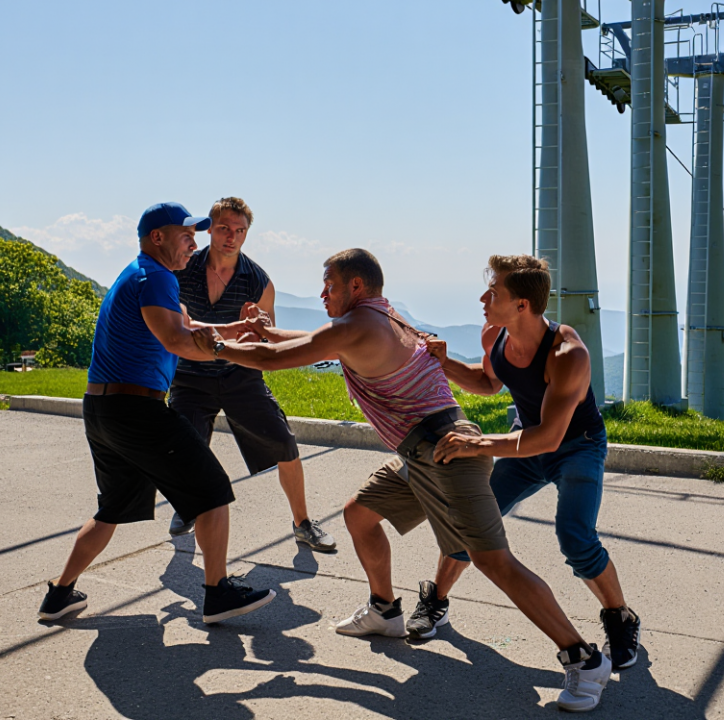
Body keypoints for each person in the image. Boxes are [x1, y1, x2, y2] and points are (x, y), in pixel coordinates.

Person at [192, 249, 613, 712]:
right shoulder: (380, 315)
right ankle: (385, 611)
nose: (321, 293)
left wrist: (209, 342)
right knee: (359, 515)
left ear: (355, 287)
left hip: (449, 449)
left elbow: (276, 359)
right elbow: (316, 342)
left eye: (328, 284)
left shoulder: (364, 324)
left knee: (494, 562)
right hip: (420, 451)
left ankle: (583, 658)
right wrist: (266, 332)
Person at [38, 202, 276, 626]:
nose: (194, 242)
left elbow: (188, 325)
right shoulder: (156, 276)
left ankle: (59, 595)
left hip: (103, 408)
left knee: (112, 508)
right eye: (185, 235)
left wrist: (238, 330)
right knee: (213, 490)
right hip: (136, 408)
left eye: (195, 234)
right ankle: (217, 592)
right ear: (157, 238)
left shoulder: (142, 275)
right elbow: (177, 341)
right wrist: (243, 353)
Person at [412, 254, 641, 670]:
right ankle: (436, 602)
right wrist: (444, 364)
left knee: (575, 538)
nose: (483, 297)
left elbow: (549, 437)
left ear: (522, 305)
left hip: (576, 446)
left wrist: (476, 445)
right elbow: (489, 382)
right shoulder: (493, 336)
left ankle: (619, 617)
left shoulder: (567, 355)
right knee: (472, 521)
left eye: (494, 291)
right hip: (524, 442)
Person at [166, 197, 335, 553]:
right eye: (225, 228)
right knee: (185, 447)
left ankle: (303, 523)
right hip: (190, 376)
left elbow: (265, 335)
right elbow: (178, 326)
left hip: (240, 375)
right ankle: (187, 506)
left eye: (240, 230)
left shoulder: (258, 281)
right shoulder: (182, 269)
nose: (232, 237)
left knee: (284, 442)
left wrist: (254, 331)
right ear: (209, 228)